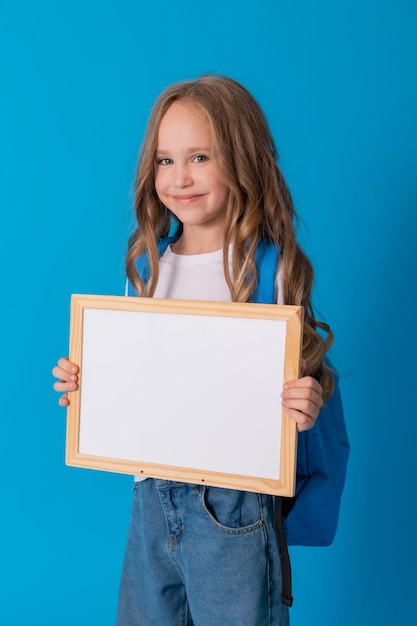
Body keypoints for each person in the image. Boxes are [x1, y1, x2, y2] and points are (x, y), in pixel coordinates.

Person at [52, 75, 349, 625]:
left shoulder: (268, 270)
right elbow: (142, 383)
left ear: (240, 159)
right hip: (150, 499)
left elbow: (299, 389)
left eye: (200, 156)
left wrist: (306, 404)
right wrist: (87, 386)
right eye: (165, 160)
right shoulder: (146, 269)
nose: (179, 177)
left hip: (233, 507)